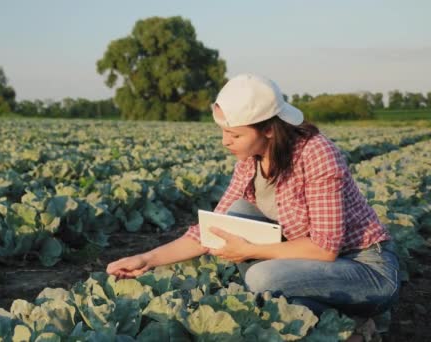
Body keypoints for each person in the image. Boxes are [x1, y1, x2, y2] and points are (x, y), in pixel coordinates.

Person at [106, 73, 400, 338]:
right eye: (223, 131)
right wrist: (146, 259)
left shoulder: (316, 153)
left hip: (363, 271)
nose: (225, 142)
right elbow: (211, 229)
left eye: (234, 134)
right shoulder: (251, 161)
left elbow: (325, 248)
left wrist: (250, 251)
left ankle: (351, 319)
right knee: (237, 214)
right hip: (311, 263)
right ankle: (344, 320)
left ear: (269, 129)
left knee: (262, 278)